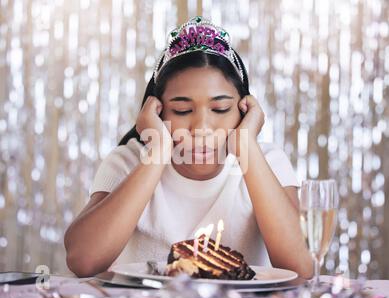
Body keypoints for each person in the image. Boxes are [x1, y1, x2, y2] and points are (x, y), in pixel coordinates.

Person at [64, 16, 313, 278]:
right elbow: (82, 260)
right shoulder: (127, 161)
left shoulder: (268, 161)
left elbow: (302, 269)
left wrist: (246, 146)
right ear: (158, 112)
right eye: (182, 110)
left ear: (244, 110)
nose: (201, 128)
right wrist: (158, 153)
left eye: (220, 109)